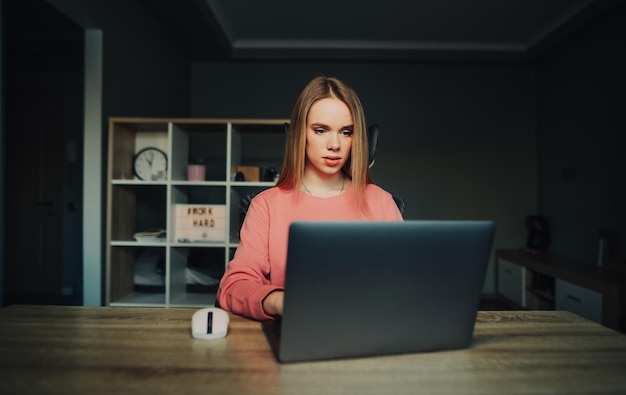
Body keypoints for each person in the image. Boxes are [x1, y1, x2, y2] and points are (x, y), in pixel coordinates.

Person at [216, 76, 403, 320]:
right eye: (321, 130)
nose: (334, 144)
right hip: (296, 329)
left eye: (346, 132)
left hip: (370, 327)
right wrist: (278, 301)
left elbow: (407, 279)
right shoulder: (267, 205)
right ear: (299, 134)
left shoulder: (381, 202)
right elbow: (233, 286)